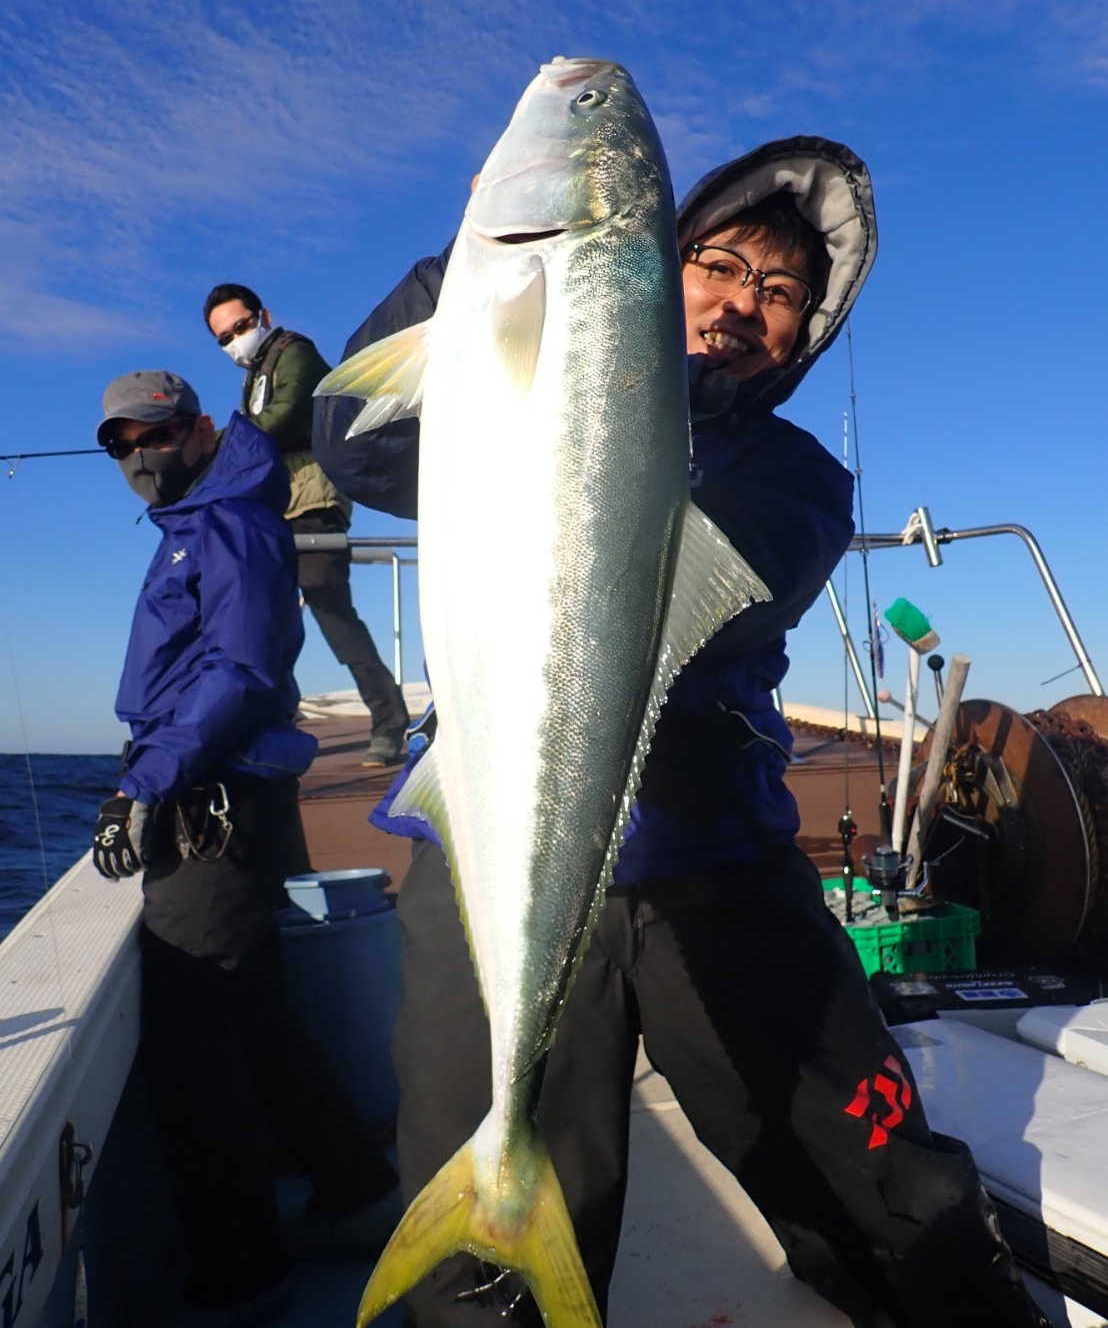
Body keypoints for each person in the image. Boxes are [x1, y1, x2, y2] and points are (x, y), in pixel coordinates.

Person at [312, 139, 1050, 1328]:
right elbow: (352, 434)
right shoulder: (508, 384)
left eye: (782, 294)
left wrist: (603, 431)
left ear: (801, 333)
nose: (745, 304)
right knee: (483, 1273)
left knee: (883, 1183)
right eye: (720, 265)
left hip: (716, 864)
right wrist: (485, 268)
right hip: (490, 859)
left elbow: (713, 604)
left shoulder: (800, 476)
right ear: (657, 265)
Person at [92, 371, 399, 1323]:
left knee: (194, 1036)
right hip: (221, 793)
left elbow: (238, 667)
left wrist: (142, 782)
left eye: (146, 435)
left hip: (212, 803)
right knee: (256, 1015)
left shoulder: (232, 524)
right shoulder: (203, 519)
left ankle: (241, 1275)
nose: (133, 456)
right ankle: (356, 1193)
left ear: (195, 429)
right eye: (117, 444)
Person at [205, 282, 410, 766]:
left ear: (263, 315)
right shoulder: (256, 372)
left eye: (241, 326)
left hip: (313, 506)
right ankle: (270, 717)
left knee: (333, 614)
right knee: (263, 619)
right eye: (224, 337)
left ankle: (389, 720)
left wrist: (216, 443)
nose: (236, 339)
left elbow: (287, 413)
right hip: (275, 512)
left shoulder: (293, 353)